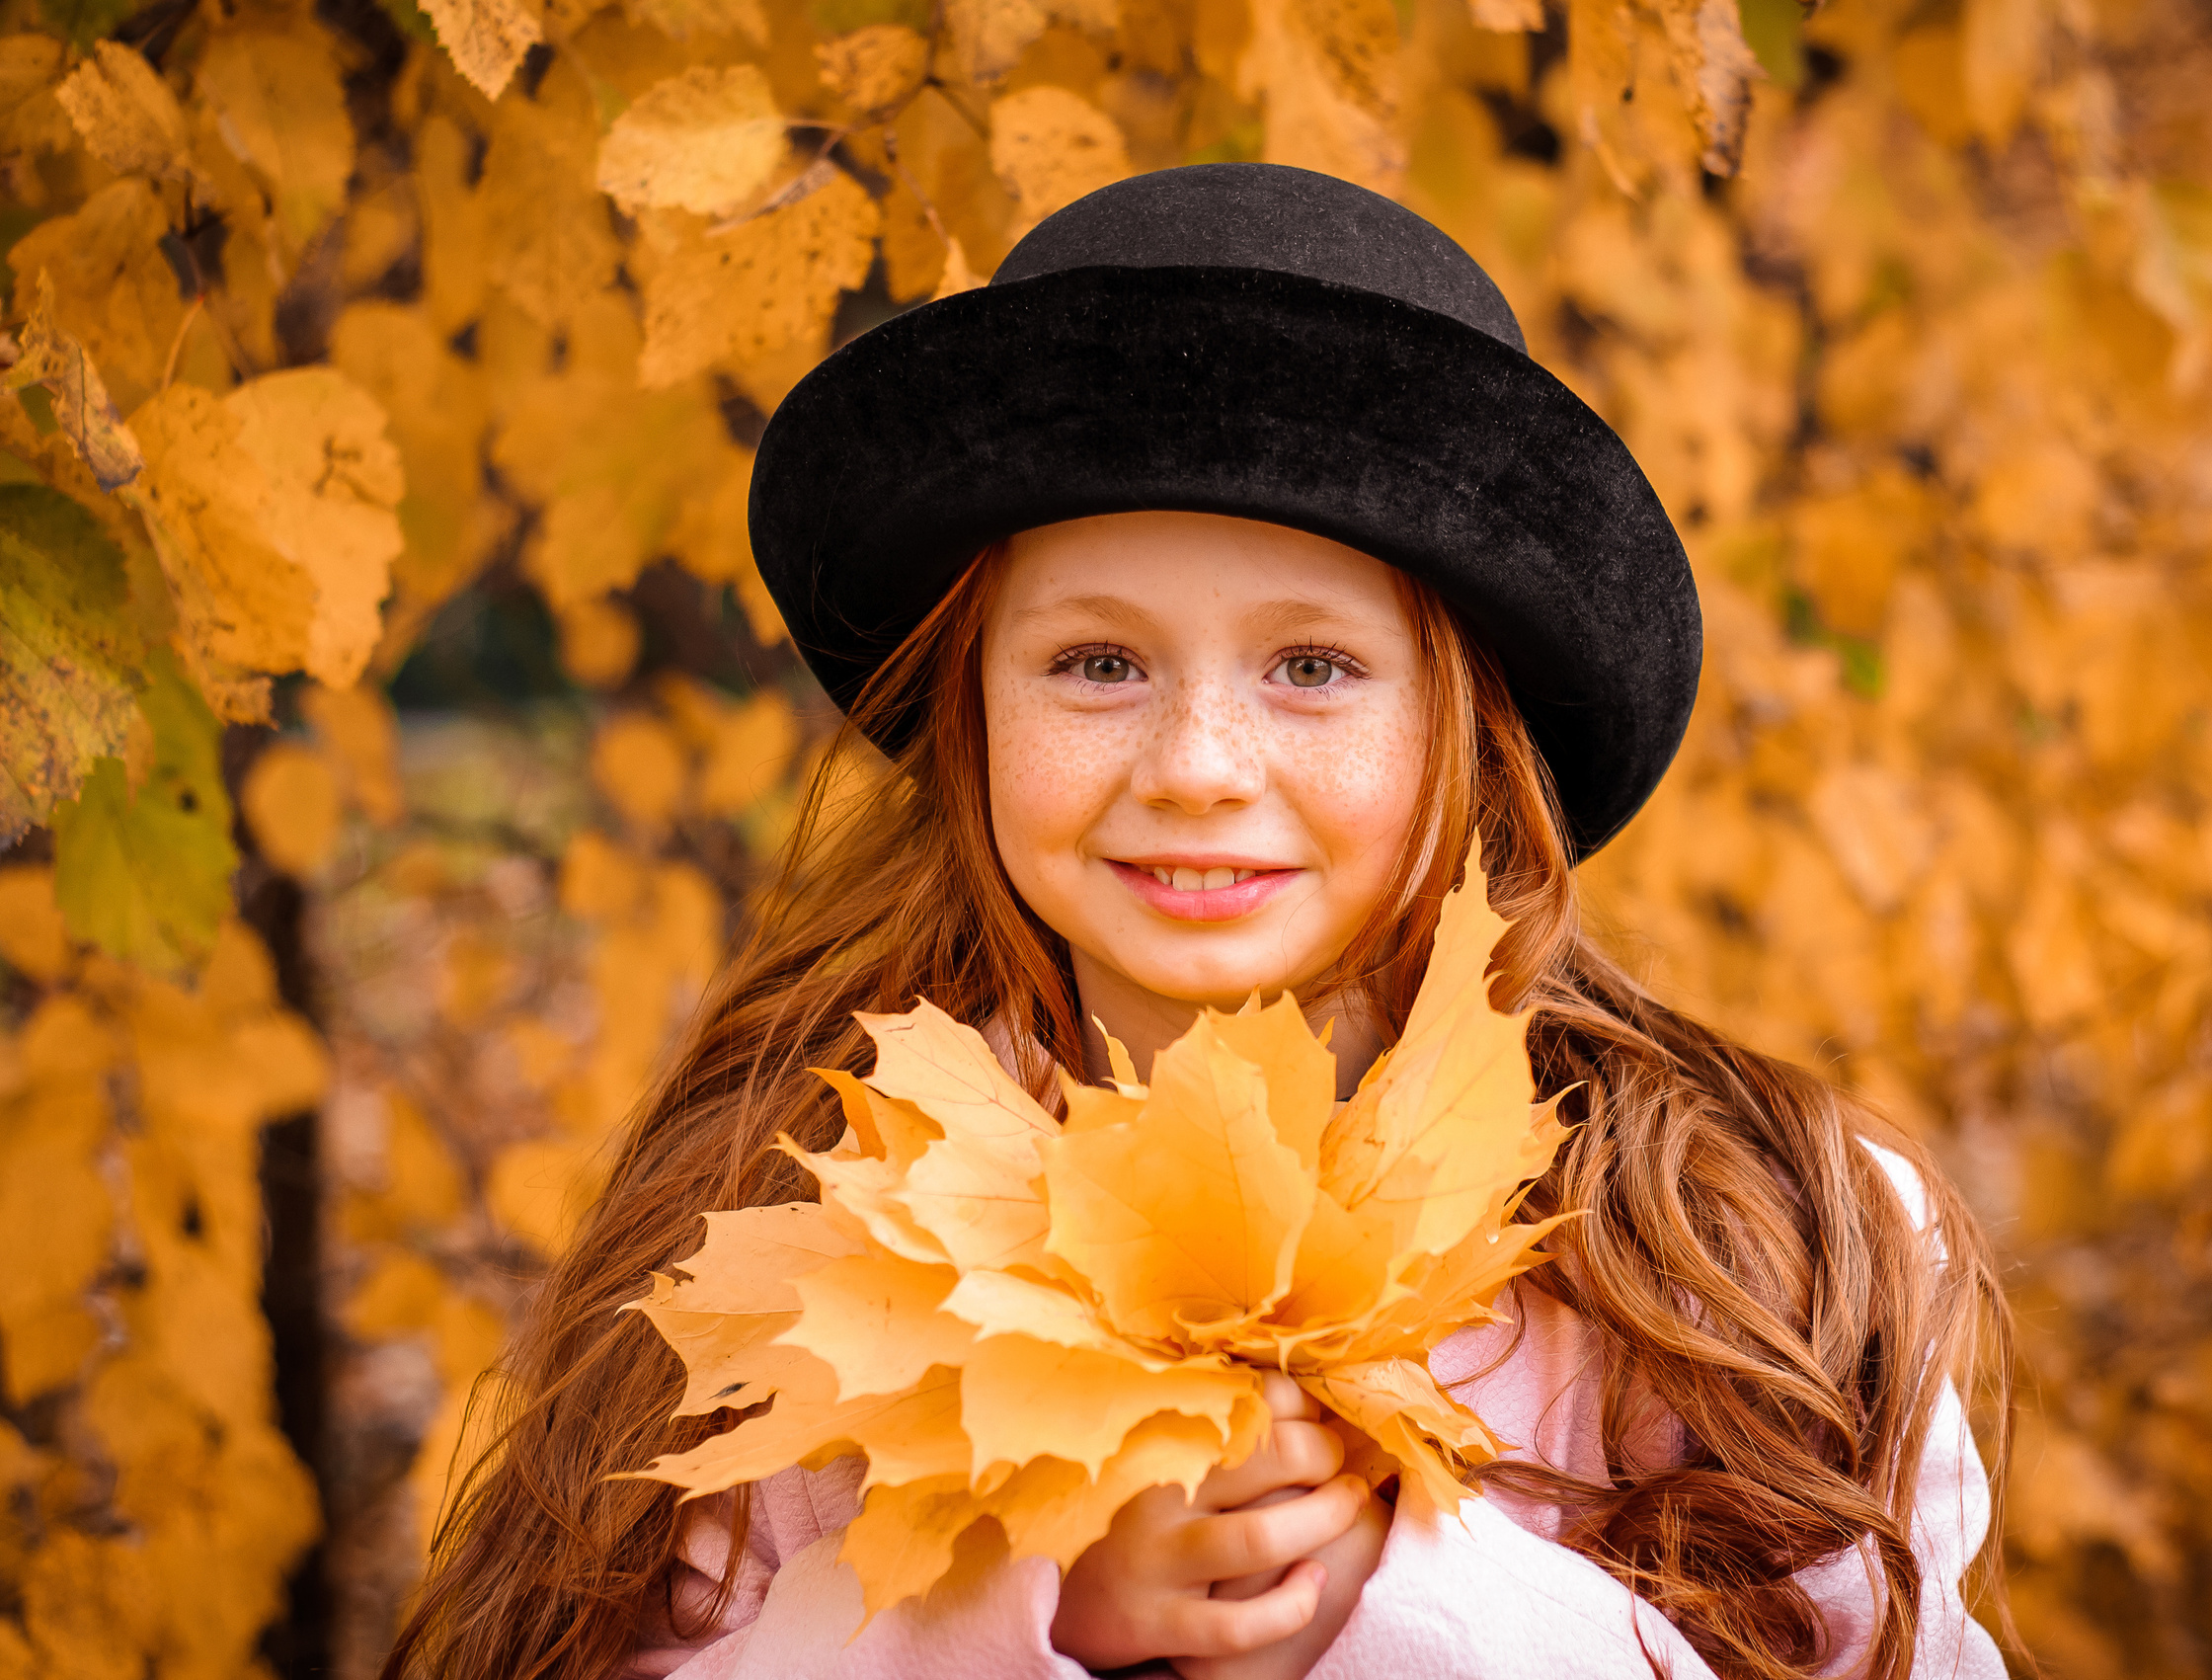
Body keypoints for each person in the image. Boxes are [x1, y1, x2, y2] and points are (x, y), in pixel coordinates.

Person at [383, 163, 2012, 1680]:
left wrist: (1402, 1601)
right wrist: (1011, 1609)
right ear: (972, 714)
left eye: (1313, 667)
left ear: (1473, 725)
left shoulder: (1738, 1237)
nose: (1196, 771)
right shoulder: (793, 1209)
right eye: (1099, 663)